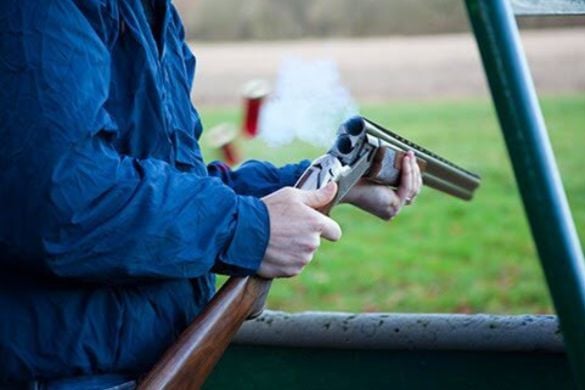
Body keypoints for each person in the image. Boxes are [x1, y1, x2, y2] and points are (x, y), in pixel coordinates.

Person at [0, 0, 421, 388]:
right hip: (58, 373)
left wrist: (322, 183)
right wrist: (250, 228)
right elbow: (61, 203)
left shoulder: (156, 14)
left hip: (140, 366)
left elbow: (178, 186)